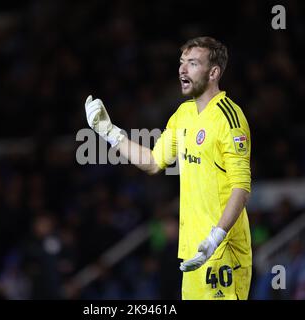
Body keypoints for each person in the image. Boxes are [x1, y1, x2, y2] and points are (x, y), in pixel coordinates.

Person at [84, 36, 252, 300]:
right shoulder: (183, 114)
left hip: (222, 250)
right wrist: (109, 132)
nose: (182, 70)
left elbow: (241, 187)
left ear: (213, 72)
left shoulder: (230, 118)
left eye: (193, 63)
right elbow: (153, 162)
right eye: (182, 62)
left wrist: (216, 237)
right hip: (192, 250)